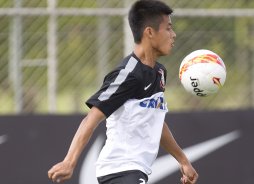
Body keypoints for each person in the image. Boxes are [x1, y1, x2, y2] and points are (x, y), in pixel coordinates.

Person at [47, 0, 198, 184]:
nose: (173, 35)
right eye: (168, 28)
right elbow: (91, 119)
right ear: (149, 32)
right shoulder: (128, 74)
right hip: (120, 169)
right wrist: (69, 162)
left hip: (133, 171)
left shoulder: (159, 73)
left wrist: (183, 161)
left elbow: (154, 121)